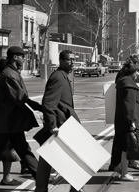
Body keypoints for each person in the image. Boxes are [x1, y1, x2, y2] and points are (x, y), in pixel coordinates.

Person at [0, 46, 41, 192]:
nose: (24, 59)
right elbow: (20, 98)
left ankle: (41, 178)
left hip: (10, 124)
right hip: (7, 124)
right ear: (15, 57)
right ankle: (41, 178)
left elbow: (20, 98)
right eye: (22, 56)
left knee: (24, 151)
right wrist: (40, 107)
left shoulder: (11, 73)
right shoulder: (9, 75)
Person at [34, 50, 83, 192]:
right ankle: (75, 188)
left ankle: (41, 188)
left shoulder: (64, 76)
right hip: (61, 126)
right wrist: (52, 126)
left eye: (73, 59)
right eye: (69, 60)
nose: (72, 62)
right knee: (73, 158)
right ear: (61, 61)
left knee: (48, 157)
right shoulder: (58, 77)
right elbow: (48, 103)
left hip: (63, 124)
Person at [108, 55, 139, 172]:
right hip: (127, 117)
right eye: (138, 68)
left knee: (125, 142)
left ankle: (124, 164)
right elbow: (128, 103)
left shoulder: (125, 79)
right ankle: (120, 167)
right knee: (126, 142)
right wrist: (131, 121)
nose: (138, 73)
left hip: (124, 116)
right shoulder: (127, 81)